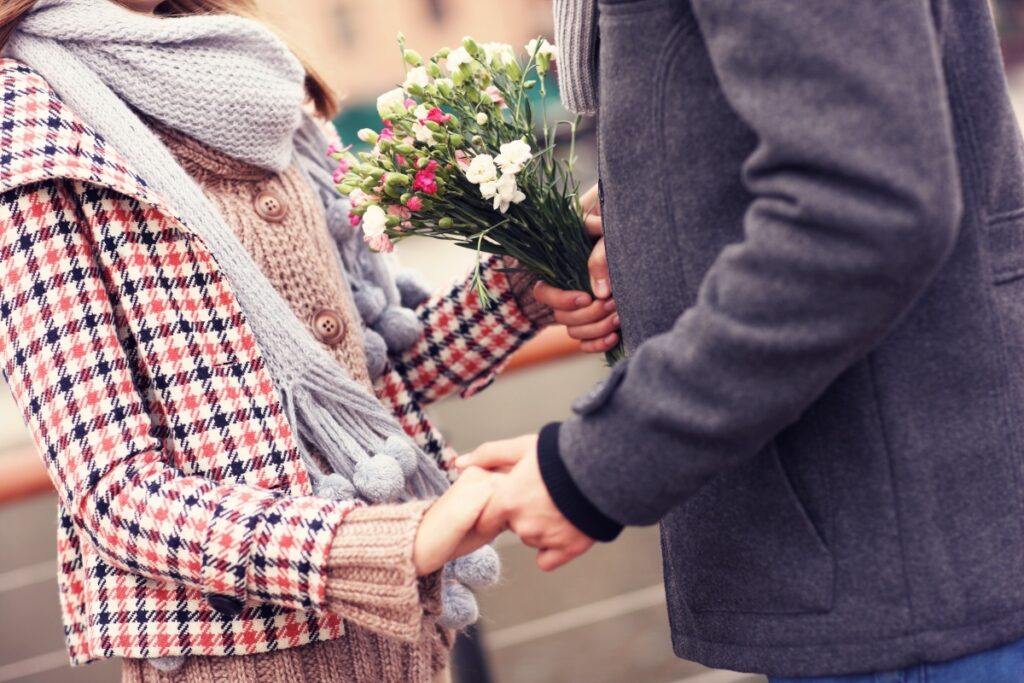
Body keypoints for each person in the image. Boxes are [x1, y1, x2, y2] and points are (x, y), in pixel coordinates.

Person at [0, 1, 617, 682]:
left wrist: (522, 284)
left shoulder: (252, 77)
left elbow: (372, 376)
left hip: (407, 645)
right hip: (242, 660)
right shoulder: (23, 129)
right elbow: (115, 493)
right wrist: (393, 544)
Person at [460, 1, 1024, 681]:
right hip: (872, 562)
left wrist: (592, 469)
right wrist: (651, 213)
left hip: (904, 579)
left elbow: (862, 206)